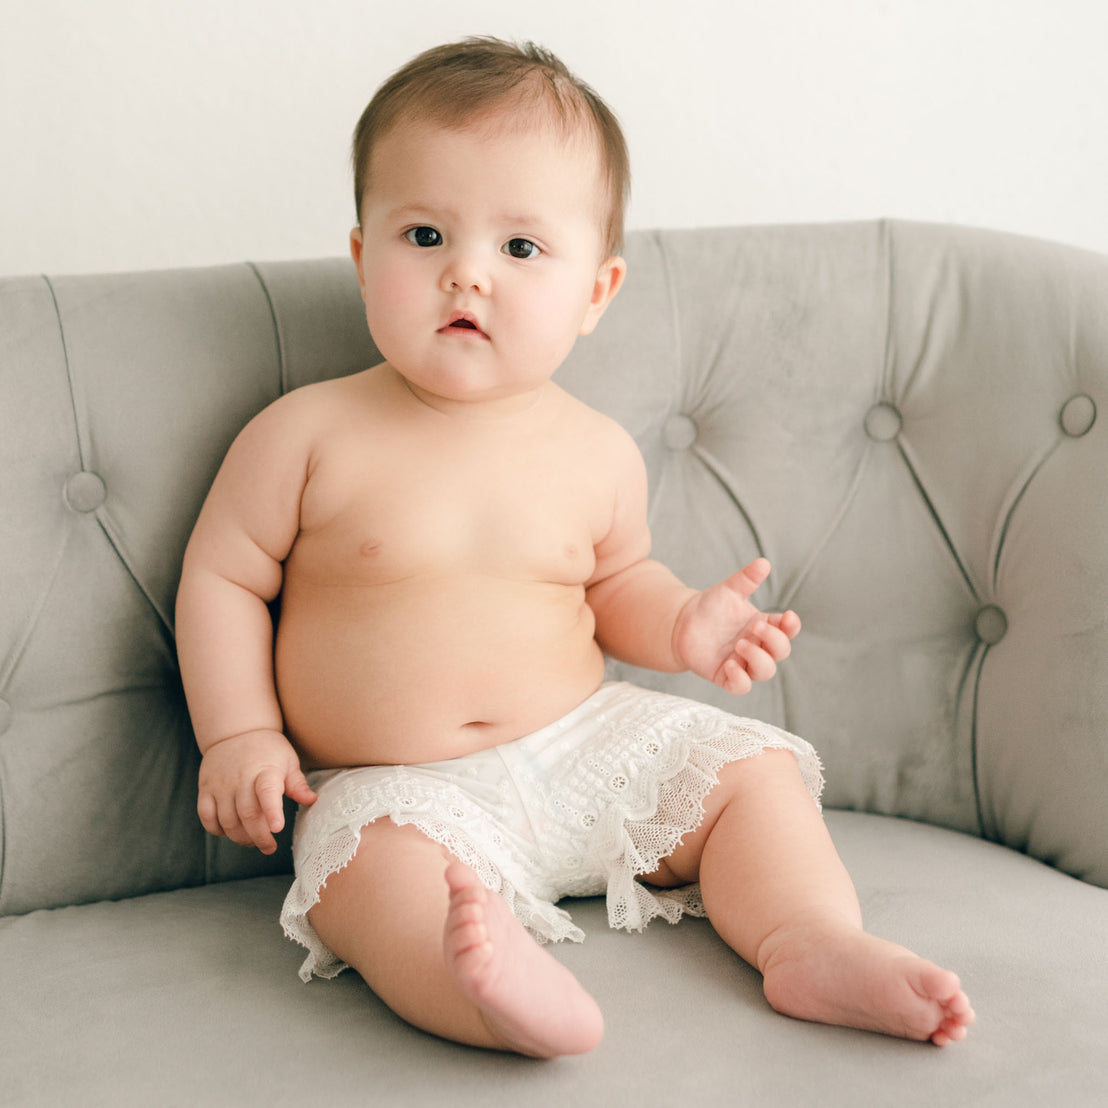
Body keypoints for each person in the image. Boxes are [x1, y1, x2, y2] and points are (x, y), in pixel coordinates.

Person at [175, 37, 974, 1058]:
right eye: (423, 234)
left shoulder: (594, 451)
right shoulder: (304, 433)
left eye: (520, 248)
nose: (466, 272)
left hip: (582, 745)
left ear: (595, 292)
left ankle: (806, 938)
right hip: (394, 785)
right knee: (363, 874)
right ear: (361, 256)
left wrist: (684, 622)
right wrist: (238, 734)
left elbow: (616, 584)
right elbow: (223, 577)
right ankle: (491, 991)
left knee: (747, 776)